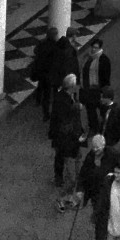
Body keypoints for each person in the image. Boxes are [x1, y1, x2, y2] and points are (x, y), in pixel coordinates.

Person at [49, 73, 87, 203]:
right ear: (71, 87)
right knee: (69, 158)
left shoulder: (69, 96)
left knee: (70, 157)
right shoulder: (62, 101)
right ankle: (70, 185)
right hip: (66, 138)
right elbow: (65, 123)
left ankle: (67, 179)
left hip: (69, 136)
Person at [77, 134, 120, 210]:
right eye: (93, 147)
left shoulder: (113, 155)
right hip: (95, 191)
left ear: (103, 146)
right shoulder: (90, 156)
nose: (95, 149)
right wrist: (80, 189)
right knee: (97, 210)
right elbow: (83, 172)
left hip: (109, 191)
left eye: (97, 147)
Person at [79, 38, 112, 134]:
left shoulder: (104, 60)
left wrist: (103, 91)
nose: (93, 49)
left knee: (102, 109)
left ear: (100, 48)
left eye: (96, 48)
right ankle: (94, 127)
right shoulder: (87, 57)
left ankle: (105, 126)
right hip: (87, 89)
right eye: (92, 47)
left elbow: (106, 78)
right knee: (90, 111)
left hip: (97, 91)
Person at [30, 25, 59, 121]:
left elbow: (36, 51)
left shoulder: (42, 43)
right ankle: (47, 113)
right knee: (47, 93)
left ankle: (39, 102)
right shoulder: (56, 46)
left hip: (41, 71)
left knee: (41, 87)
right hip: (49, 73)